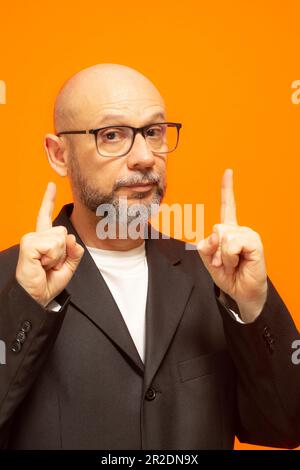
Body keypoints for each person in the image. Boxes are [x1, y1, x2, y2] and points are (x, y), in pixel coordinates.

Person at [0, 63, 299, 450]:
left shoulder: (214, 275)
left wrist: (255, 306)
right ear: (59, 155)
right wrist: (27, 308)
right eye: (111, 135)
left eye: (154, 132)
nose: (144, 157)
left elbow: (286, 425)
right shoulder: (12, 282)